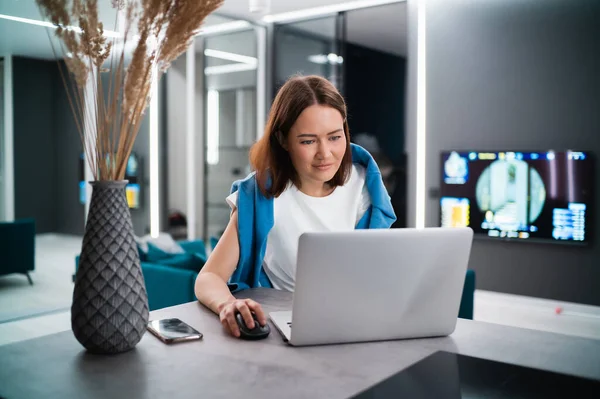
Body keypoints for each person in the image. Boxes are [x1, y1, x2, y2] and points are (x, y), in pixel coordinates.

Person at [195, 75, 396, 338]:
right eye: (308, 141)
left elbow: (377, 273)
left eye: (334, 137)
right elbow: (208, 277)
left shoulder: (363, 184)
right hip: (283, 325)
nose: (325, 153)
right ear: (282, 139)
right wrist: (229, 305)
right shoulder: (259, 195)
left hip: (353, 323)